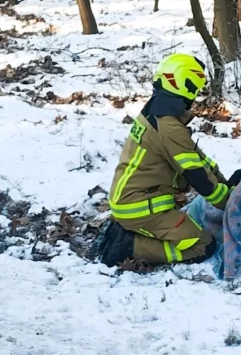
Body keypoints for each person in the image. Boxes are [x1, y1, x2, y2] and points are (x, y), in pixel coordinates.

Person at [94, 54, 230, 267]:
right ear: (187, 87)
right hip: (140, 206)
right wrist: (230, 204)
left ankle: (126, 233)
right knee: (202, 245)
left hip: (130, 199)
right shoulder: (169, 127)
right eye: (196, 89)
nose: (196, 96)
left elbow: (194, 156)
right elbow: (197, 176)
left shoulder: (155, 112)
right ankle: (127, 245)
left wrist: (225, 182)